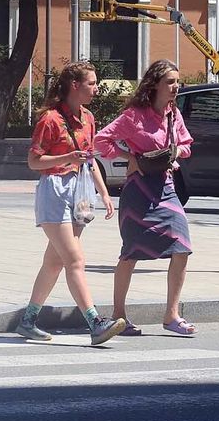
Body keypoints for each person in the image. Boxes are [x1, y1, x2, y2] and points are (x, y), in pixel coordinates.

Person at [14, 62, 127, 346]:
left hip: (78, 190)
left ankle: (27, 321)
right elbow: (33, 161)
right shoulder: (50, 119)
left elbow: (89, 161)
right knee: (74, 259)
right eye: (91, 83)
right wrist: (67, 159)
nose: (96, 88)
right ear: (75, 86)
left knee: (54, 263)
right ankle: (95, 322)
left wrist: (104, 193)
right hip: (53, 191)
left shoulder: (88, 117)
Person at [95, 59, 197, 338]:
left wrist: (176, 153)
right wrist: (131, 158)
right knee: (130, 253)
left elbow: (187, 144)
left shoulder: (173, 114)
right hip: (139, 191)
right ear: (154, 85)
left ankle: (171, 315)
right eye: (170, 82)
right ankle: (119, 315)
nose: (176, 87)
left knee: (183, 247)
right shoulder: (134, 115)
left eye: (178, 81)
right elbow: (101, 141)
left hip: (166, 187)